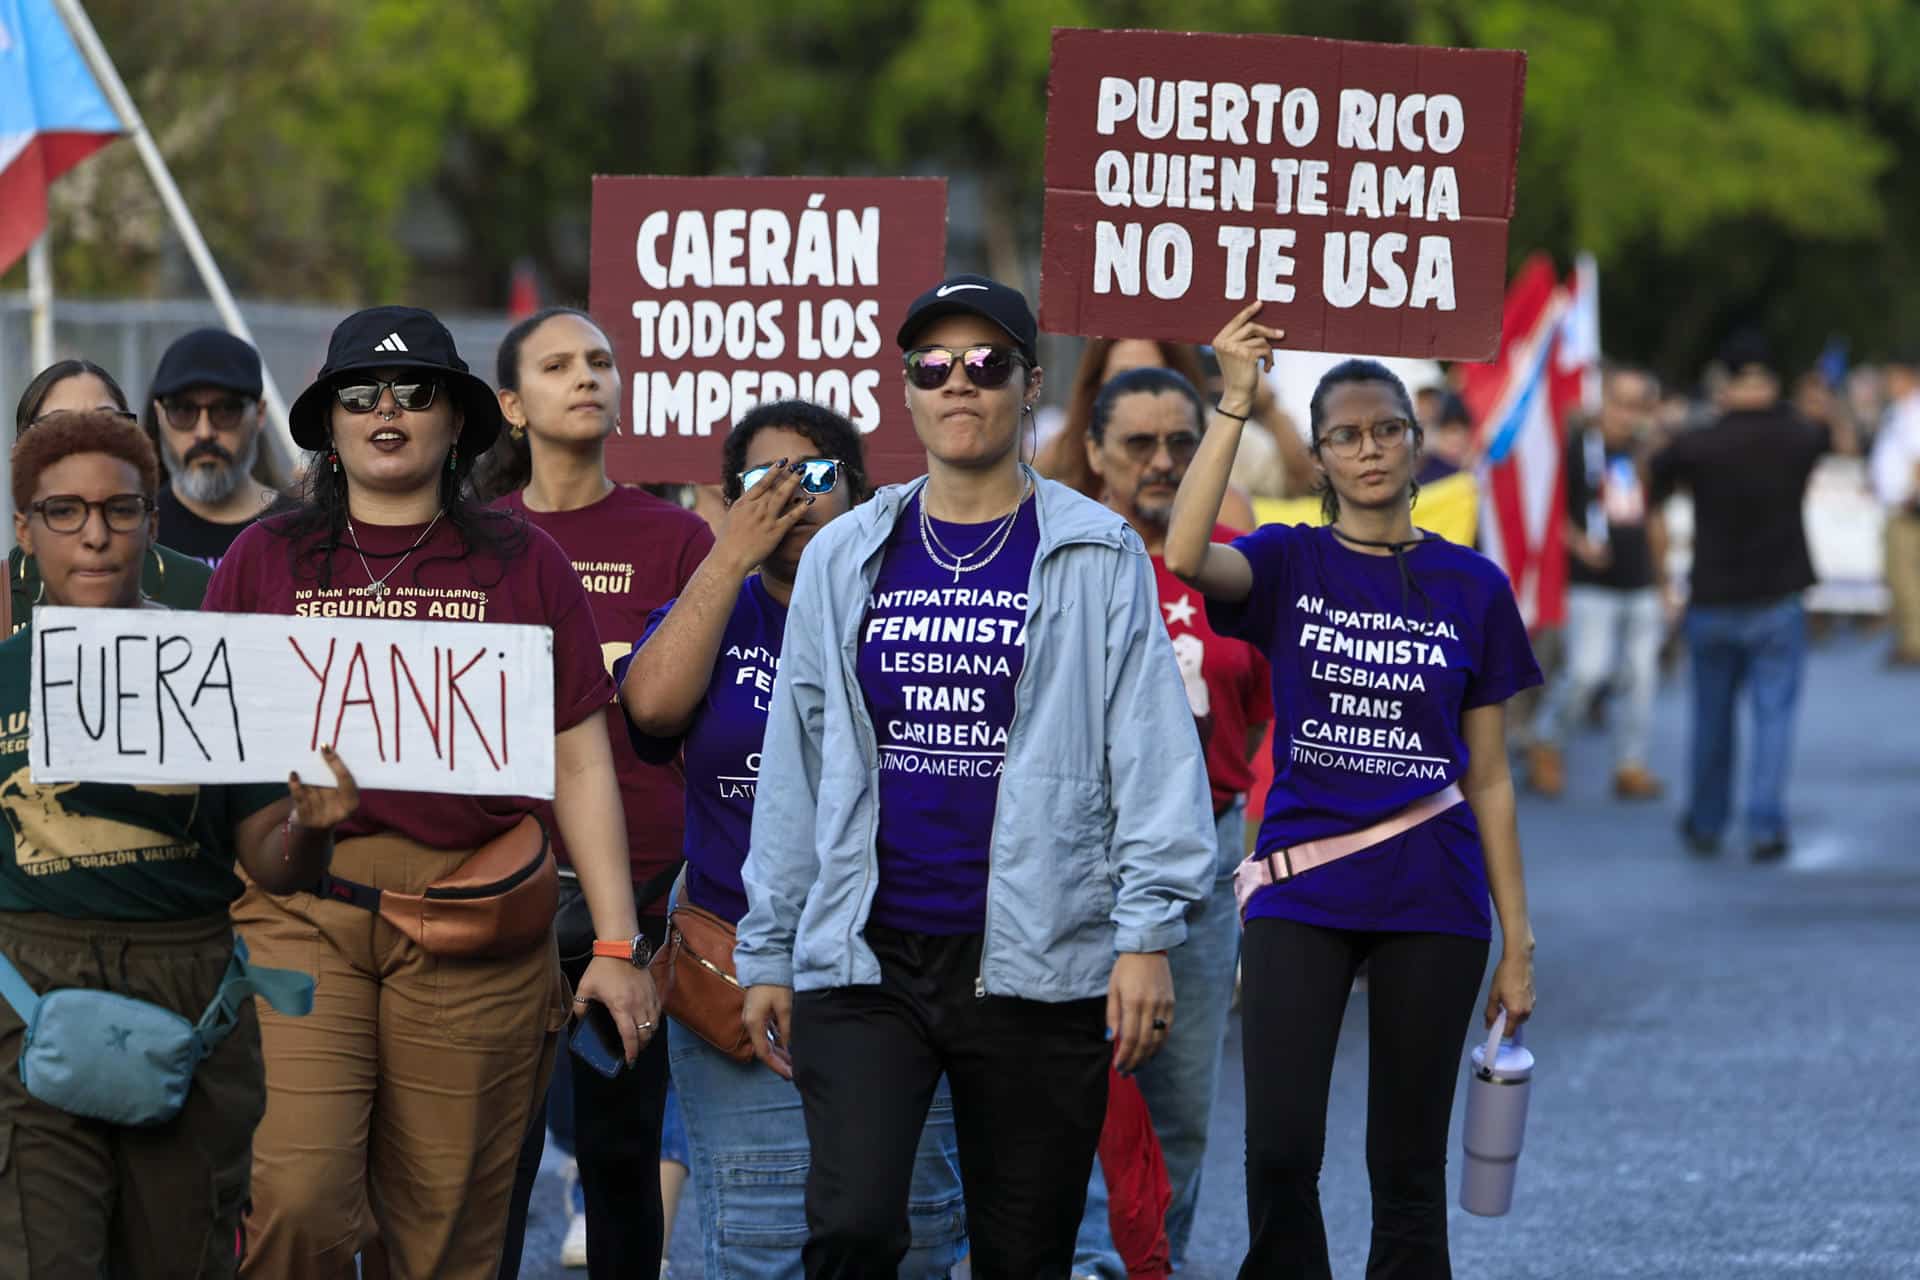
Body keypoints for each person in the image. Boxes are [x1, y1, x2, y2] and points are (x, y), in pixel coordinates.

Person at [734, 274, 1215, 1275]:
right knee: (853, 1227)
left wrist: (1146, 936)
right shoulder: (844, 553)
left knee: (1023, 1249)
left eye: (988, 364)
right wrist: (770, 947)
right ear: (908, 389)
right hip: (866, 953)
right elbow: (797, 763)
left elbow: (1154, 754)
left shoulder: (1097, 549)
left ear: (1031, 385)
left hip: (1042, 955)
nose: (960, 382)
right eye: (934, 365)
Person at [204, 305, 658, 1280]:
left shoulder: (526, 560)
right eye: (360, 393)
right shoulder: (263, 557)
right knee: (295, 1200)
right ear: (328, 423)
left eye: (416, 392)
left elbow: (581, 759)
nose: (388, 410)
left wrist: (618, 945)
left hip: (473, 918)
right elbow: (210, 750)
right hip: (299, 905)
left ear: (458, 421)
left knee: (448, 1233)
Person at [1165, 304, 1540, 1278]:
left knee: (1407, 1167)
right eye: (1345, 435)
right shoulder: (1289, 559)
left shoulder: (1473, 585)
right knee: (1281, 1151)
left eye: (1386, 429)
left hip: (1434, 893)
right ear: (1320, 456)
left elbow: (1489, 775)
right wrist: (1234, 403)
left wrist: (1518, 941)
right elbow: (1185, 553)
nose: (1369, 449)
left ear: (1415, 442)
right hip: (1302, 888)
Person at [0, 409, 359, 1275]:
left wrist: (312, 829)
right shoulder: (3, 674)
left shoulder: (216, 669)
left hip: (190, 1000)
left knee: (184, 1256)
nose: (94, 536)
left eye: (120, 510)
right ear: (24, 530)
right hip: (26, 999)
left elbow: (272, 864)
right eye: (64, 512)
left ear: (152, 522)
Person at [618, 399, 968, 1279]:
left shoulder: (917, 605)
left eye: (814, 475)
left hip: (899, 966)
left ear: (862, 493)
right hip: (739, 965)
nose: (791, 496)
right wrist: (728, 555)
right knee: (763, 1244)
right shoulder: (720, 605)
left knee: (915, 1238)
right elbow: (650, 706)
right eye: (762, 480)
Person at [484, 306, 713, 1278]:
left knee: (622, 1156)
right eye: (557, 365)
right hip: (498, 889)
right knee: (491, 1163)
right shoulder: (476, 537)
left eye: (600, 361)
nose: (586, 376)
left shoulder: (679, 537)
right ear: (510, 405)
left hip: (638, 896)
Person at [1070, 366, 1272, 1278]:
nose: (1161, 461)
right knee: (1072, 1095)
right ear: (1094, 453)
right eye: (1139, 444)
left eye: (1181, 443)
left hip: (1207, 861)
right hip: (1077, 860)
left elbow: (1261, 719)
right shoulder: (1059, 559)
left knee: (1181, 1104)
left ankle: (1161, 1263)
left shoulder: (1239, 568)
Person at [1650, 332, 1852, 862]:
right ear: (1771, 380)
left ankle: (1706, 820)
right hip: (1778, 597)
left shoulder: (1699, 442)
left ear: (1724, 381)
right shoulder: (1797, 436)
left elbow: (1652, 481)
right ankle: (1765, 825)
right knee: (1774, 718)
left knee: (1711, 721)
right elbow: (1837, 437)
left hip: (1713, 596)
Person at [1527, 368, 1668, 801]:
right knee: (1588, 671)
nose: (1628, 414)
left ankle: (1630, 764)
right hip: (1591, 582)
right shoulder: (1577, 449)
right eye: (1620, 403)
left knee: (1642, 678)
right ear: (1604, 401)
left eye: (1637, 406)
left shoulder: (1644, 455)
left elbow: (1654, 517)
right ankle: (1547, 737)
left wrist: (1665, 580)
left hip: (1640, 579)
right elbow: (1550, 512)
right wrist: (1578, 544)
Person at [10, 361, 214, 630]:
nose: (86, 444)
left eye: (106, 425)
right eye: (59, 428)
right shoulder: (7, 595)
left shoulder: (200, 588)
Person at [145, 329, 282, 567]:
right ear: (159, 415)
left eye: (226, 410)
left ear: (259, 414)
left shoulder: (303, 531)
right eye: (183, 411)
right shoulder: (137, 532)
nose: (204, 432)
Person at [1871, 352, 1920, 667]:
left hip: (1908, 508)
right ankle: (1909, 638)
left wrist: (1913, 497)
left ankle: (1915, 643)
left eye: (1892, 376)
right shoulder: (1899, 410)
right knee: (1899, 575)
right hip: (1897, 505)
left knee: (1906, 576)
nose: (1887, 383)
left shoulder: (1915, 411)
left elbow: (1918, 458)